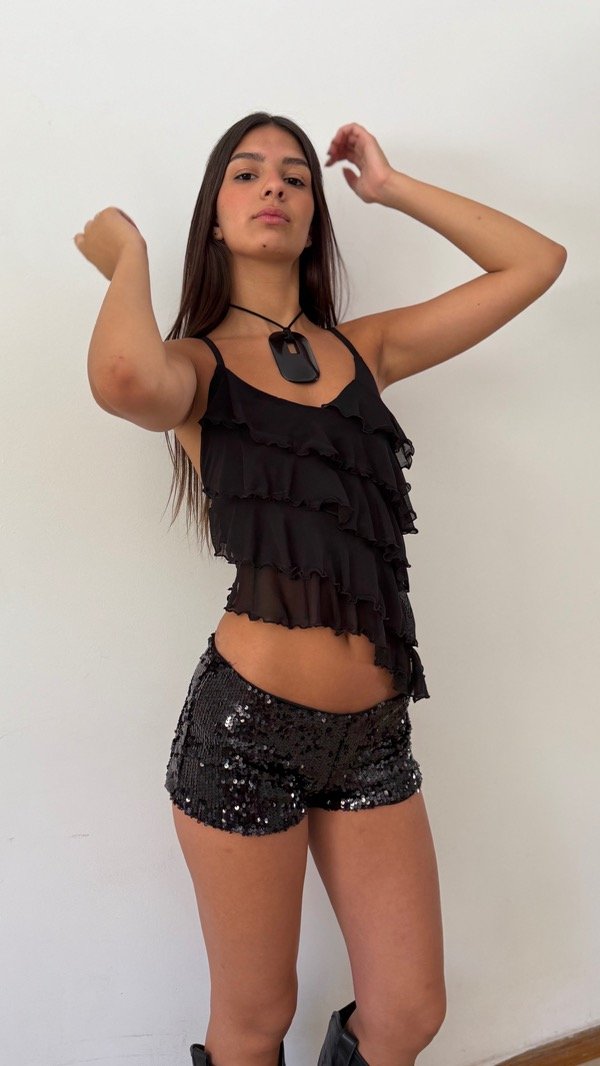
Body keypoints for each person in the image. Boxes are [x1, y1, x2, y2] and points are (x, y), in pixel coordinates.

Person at [76, 112, 566, 1066]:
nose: (275, 186)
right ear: (215, 217)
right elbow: (125, 376)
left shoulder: (365, 352)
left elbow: (535, 263)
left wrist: (391, 187)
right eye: (247, 173)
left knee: (409, 1010)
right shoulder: (197, 367)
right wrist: (128, 257)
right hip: (243, 735)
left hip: (374, 737)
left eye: (295, 177)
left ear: (313, 218)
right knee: (256, 1019)